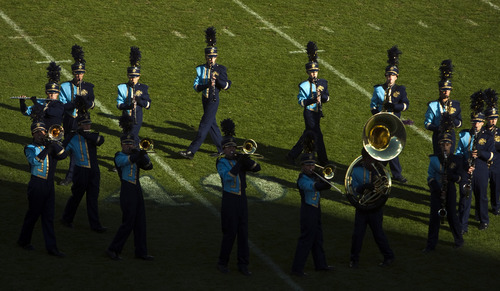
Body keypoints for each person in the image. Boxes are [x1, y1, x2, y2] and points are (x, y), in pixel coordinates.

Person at [216, 120, 261, 275]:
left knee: (243, 234)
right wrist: (239, 164)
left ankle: (243, 264)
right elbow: (227, 178)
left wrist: (246, 159)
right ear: (223, 149)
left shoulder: (239, 159)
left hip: (242, 200)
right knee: (230, 233)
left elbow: (257, 168)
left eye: (234, 147)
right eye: (229, 147)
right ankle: (222, 262)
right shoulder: (220, 162)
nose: (232, 149)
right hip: (229, 200)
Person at [179, 27, 231, 160]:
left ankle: (191, 151)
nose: (211, 59)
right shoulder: (200, 69)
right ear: (206, 57)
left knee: (203, 125)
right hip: (205, 98)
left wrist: (217, 80)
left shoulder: (221, 69)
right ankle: (222, 148)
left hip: (213, 99)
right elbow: (196, 87)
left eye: (213, 57)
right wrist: (206, 84)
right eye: (209, 57)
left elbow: (226, 85)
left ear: (216, 56)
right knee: (212, 124)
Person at [17, 121, 68, 257]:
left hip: (49, 185)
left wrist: (54, 145)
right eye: (38, 132)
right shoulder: (29, 147)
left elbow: (64, 155)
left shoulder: (50, 146)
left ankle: (52, 247)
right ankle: (23, 240)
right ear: (33, 134)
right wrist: (48, 149)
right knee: (33, 215)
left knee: (48, 217)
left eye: (43, 131)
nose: (41, 134)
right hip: (37, 185)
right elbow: (34, 162)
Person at [106, 134, 154, 261]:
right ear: (121, 144)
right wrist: (138, 154)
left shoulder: (136, 156)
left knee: (140, 222)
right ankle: (113, 249)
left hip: (137, 190)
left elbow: (149, 166)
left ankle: (141, 251)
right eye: (126, 144)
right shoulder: (119, 156)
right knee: (128, 222)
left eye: (131, 143)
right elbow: (126, 161)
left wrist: (143, 154)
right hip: (127, 191)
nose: (129, 146)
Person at [348, 149, 395, 268]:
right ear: (364, 160)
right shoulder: (356, 171)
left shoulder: (380, 172)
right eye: (369, 159)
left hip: (376, 208)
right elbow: (353, 190)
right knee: (358, 234)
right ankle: (354, 259)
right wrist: (363, 187)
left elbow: (385, 190)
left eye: (373, 159)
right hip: (362, 207)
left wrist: (376, 190)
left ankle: (388, 256)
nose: (372, 162)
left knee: (378, 234)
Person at [61, 113, 106, 233]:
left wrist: (84, 133)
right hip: (81, 170)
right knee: (76, 196)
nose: (89, 125)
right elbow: (62, 152)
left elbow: (100, 140)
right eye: (86, 124)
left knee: (93, 198)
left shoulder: (92, 135)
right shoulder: (73, 137)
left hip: (94, 171)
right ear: (80, 125)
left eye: (89, 123)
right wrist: (69, 136)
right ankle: (67, 219)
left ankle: (95, 225)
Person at [286, 41, 330, 166]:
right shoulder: (304, 85)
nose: (313, 74)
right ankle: (323, 160)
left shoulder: (323, 83)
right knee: (318, 135)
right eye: (311, 72)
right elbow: (302, 102)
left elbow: (327, 97)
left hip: (317, 113)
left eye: (315, 72)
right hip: (309, 113)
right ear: (307, 73)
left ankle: (292, 155)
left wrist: (322, 97)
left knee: (308, 135)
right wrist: (313, 99)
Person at [370, 46, 409, 183]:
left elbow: (406, 105)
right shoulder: (379, 89)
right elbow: (373, 105)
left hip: (395, 121)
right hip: (382, 121)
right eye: (388, 75)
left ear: (396, 77)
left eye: (392, 75)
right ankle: (386, 172)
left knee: (392, 147)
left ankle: (389, 172)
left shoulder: (400, 89)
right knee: (383, 146)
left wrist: (394, 106)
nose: (390, 78)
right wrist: (378, 114)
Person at [58, 44, 96, 186]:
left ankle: (71, 176)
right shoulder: (65, 87)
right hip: (70, 119)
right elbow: (61, 105)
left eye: (81, 73)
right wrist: (74, 104)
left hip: (83, 120)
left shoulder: (88, 87)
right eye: (76, 73)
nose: (79, 76)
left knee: (82, 148)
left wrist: (85, 103)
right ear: (73, 73)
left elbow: (92, 104)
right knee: (69, 148)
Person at [291, 152, 333, 277]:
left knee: (318, 239)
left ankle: (320, 264)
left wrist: (324, 177)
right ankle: (297, 269)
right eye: (308, 165)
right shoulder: (302, 180)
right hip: (308, 212)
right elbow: (316, 187)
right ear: (302, 166)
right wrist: (324, 181)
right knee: (306, 240)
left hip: (316, 210)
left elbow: (324, 185)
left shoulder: (313, 176)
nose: (311, 168)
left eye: (313, 165)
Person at [423, 132, 465, 253]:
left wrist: (450, 176)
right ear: (440, 146)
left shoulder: (456, 160)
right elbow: (430, 176)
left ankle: (459, 240)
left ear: (451, 145)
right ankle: (431, 245)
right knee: (434, 218)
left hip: (450, 190)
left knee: (452, 215)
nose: (445, 147)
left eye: (447, 144)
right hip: (437, 191)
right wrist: (437, 188)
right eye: (442, 145)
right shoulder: (435, 159)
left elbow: (459, 178)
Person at [456, 109, 494, 232]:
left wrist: (480, 153)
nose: (476, 124)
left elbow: (492, 154)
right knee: (465, 197)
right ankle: (462, 225)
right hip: (466, 169)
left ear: (483, 122)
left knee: (482, 195)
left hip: (481, 169)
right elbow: (458, 153)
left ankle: (484, 220)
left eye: (478, 122)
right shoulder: (464, 135)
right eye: (474, 122)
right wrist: (465, 164)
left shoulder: (488, 136)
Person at [425, 60, 462, 154]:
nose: (446, 92)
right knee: (438, 159)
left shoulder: (455, 105)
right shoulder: (433, 105)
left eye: (448, 89)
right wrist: (437, 128)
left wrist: (452, 119)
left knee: (450, 159)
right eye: (443, 90)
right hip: (438, 135)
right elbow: (427, 124)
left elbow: (460, 124)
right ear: (440, 90)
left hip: (451, 135)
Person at [116, 46, 151, 148]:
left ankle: (141, 154)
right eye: (131, 76)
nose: (133, 79)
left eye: (135, 76)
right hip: (125, 118)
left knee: (133, 137)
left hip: (137, 118)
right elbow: (118, 105)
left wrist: (140, 101)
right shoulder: (122, 87)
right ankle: (139, 153)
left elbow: (148, 105)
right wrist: (128, 106)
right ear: (128, 76)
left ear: (139, 76)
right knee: (126, 139)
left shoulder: (143, 88)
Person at [19, 62, 64, 129]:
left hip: (54, 134)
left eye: (54, 93)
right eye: (50, 92)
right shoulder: (41, 102)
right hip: (41, 132)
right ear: (46, 93)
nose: (52, 95)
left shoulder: (60, 105)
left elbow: (51, 112)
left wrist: (36, 103)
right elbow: (25, 112)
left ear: (58, 93)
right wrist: (22, 102)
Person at [484, 88, 500, 216]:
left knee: (496, 186)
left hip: (496, 165)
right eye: (491, 118)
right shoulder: (482, 132)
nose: (493, 120)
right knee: (482, 189)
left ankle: (496, 206)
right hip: (483, 164)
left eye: (495, 118)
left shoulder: (499, 132)